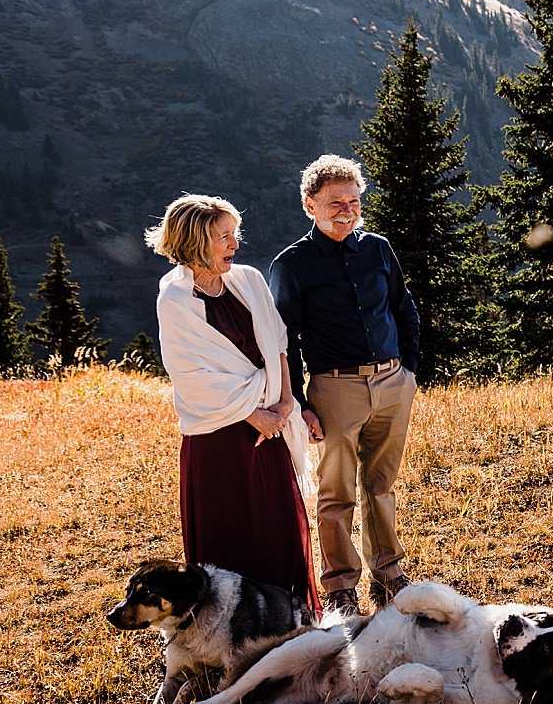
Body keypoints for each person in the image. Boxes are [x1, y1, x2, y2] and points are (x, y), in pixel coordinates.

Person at [147, 194, 318, 614]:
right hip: (220, 438)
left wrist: (282, 402)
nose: (235, 245)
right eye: (224, 237)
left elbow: (277, 343)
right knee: (229, 534)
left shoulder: (247, 280)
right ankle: (228, 627)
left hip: (271, 426)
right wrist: (252, 414)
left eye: (234, 234)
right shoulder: (175, 301)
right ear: (195, 241)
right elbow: (190, 376)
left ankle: (287, 619)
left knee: (277, 528)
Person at [269, 155, 420, 617]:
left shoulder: (377, 248)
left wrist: (410, 370)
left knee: (382, 483)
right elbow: (284, 340)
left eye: (354, 201)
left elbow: (403, 306)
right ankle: (339, 585)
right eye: (335, 202)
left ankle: (390, 573)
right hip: (335, 389)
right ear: (309, 204)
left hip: (393, 382)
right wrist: (298, 404)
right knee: (336, 492)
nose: (347, 210)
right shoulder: (292, 264)